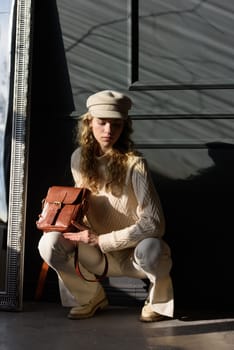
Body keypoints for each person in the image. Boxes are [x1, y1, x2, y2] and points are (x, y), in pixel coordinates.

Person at [38, 90, 174, 321]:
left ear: (124, 127)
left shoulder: (135, 165)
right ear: (89, 122)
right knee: (49, 243)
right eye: (102, 123)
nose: (109, 131)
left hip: (135, 256)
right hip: (97, 255)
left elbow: (155, 223)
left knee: (153, 247)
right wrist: (59, 216)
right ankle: (90, 297)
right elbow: (82, 207)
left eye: (116, 125)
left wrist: (102, 240)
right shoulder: (78, 159)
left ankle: (157, 302)